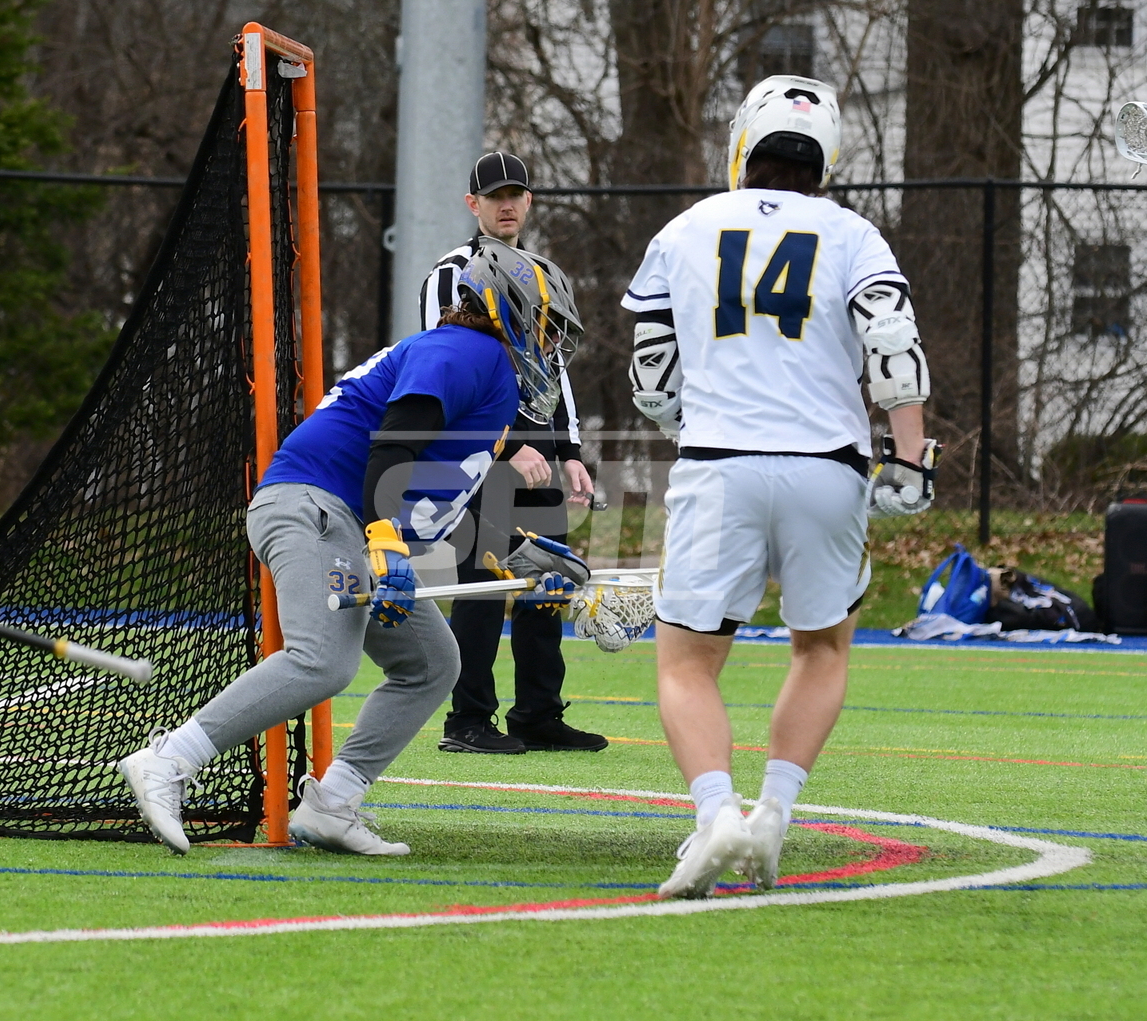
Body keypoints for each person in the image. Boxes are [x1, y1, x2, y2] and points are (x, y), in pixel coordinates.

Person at [116, 238, 588, 857]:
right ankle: (167, 759)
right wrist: (385, 541)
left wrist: (513, 559)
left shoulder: (486, 373)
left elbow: (439, 492)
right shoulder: (467, 350)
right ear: (512, 310)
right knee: (323, 661)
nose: (551, 347)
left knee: (431, 664)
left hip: (349, 516)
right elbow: (392, 447)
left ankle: (332, 803)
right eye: (548, 329)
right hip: (316, 505)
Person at [623, 75, 937, 899]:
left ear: (743, 144)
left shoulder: (685, 228)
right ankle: (774, 813)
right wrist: (911, 458)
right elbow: (893, 345)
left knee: (688, 663)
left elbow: (652, 381)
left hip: (719, 462)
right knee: (821, 647)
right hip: (828, 465)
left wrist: (698, 415)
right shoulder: (854, 233)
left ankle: (715, 812)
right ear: (823, 156)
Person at [421, 151, 607, 754]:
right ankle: (468, 720)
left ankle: (538, 713)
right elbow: (447, 365)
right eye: (493, 195)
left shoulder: (540, 273)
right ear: (472, 204)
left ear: (528, 201)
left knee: (547, 581)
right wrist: (509, 445)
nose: (506, 205)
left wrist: (570, 449)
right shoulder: (452, 273)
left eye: (515, 194)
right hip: (482, 449)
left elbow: (553, 370)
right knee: (484, 583)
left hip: (537, 451)